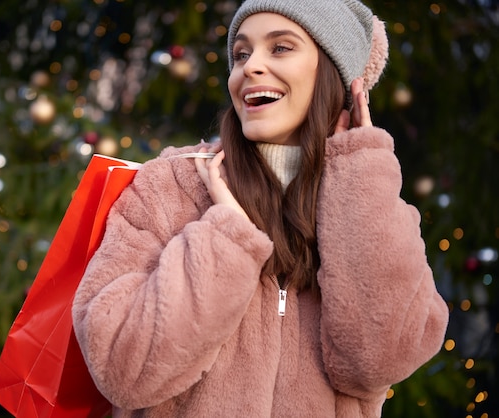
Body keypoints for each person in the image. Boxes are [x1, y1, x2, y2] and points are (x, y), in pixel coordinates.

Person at [72, 0, 450, 416]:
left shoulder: (373, 202)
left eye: (281, 48)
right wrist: (227, 234)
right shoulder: (170, 185)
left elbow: (379, 362)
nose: (250, 67)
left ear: (335, 77)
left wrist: (359, 177)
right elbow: (123, 372)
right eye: (241, 54)